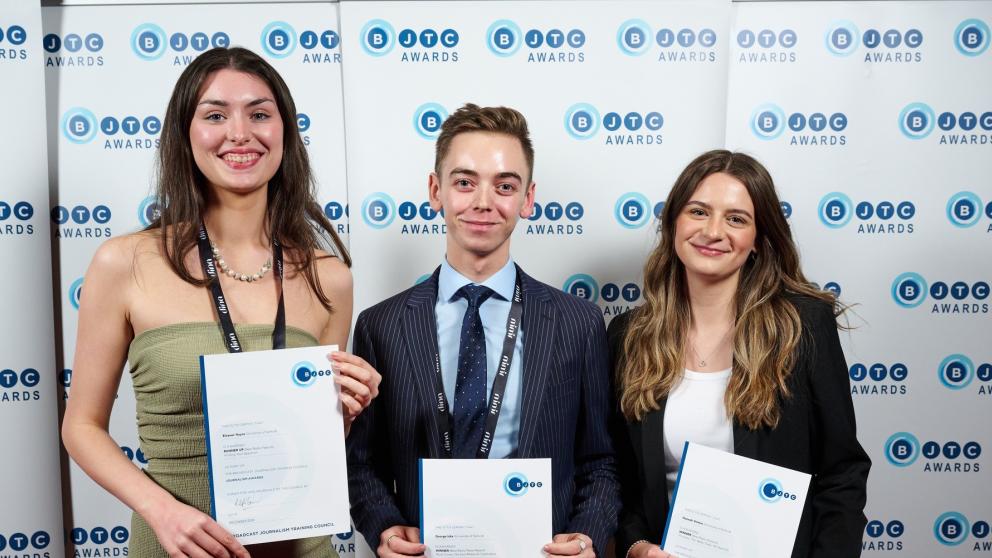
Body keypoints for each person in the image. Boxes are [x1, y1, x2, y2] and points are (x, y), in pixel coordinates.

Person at [61, 47, 380, 558]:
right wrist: (162, 511)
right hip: (177, 546)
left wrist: (346, 411)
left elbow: (311, 442)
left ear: (285, 132)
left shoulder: (329, 278)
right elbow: (81, 427)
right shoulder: (125, 262)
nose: (240, 133)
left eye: (259, 114)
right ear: (184, 135)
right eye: (215, 115)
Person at [346, 103, 619, 558]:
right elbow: (361, 463)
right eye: (465, 182)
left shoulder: (578, 322)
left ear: (527, 199)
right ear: (436, 191)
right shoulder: (382, 325)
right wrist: (385, 528)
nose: (483, 202)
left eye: (504, 186)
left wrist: (586, 534)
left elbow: (601, 462)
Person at [608, 150, 870, 558]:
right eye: (698, 211)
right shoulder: (629, 335)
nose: (713, 231)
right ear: (673, 222)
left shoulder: (802, 327)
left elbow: (842, 474)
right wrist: (637, 547)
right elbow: (619, 477)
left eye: (736, 219)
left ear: (759, 239)